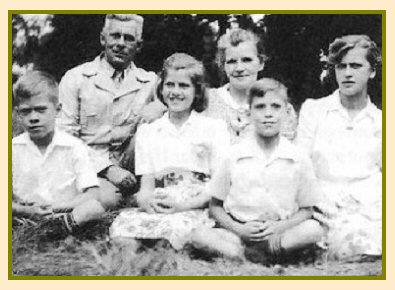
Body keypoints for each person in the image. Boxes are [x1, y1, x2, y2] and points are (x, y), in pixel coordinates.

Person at [193, 78, 325, 263]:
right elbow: (215, 206)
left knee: (313, 230)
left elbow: (307, 209)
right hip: (240, 231)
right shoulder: (234, 155)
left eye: (275, 107)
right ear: (249, 113)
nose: (268, 114)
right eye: (260, 107)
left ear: (287, 113)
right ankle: (245, 254)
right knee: (200, 235)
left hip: (280, 231)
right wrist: (239, 229)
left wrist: (281, 227)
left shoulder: (298, 157)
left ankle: (271, 250)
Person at [110, 53, 230, 250]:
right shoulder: (148, 132)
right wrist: (149, 203)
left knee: (180, 230)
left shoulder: (214, 128)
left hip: (197, 205)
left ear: (197, 91)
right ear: (161, 88)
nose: (175, 92)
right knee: (121, 233)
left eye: (184, 86)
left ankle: (183, 245)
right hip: (162, 204)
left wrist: (183, 206)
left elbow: (218, 186)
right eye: (170, 85)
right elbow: (146, 188)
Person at [58, 14, 166, 207]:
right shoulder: (76, 78)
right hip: (88, 164)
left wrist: (161, 106)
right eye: (115, 36)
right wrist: (107, 169)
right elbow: (65, 137)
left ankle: (136, 193)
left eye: (129, 38)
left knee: (153, 125)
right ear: (103, 39)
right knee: (107, 198)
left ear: (138, 46)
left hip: (133, 165)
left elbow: (180, 104)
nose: (120, 44)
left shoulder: (150, 82)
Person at [296, 35, 382, 260]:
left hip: (369, 210)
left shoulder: (382, 121)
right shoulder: (314, 110)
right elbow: (300, 165)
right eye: (341, 66)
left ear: (372, 71)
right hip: (320, 208)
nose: (347, 73)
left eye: (356, 65)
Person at [12, 71, 105, 238]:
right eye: (26, 111)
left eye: (41, 110)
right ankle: (41, 234)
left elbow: (93, 194)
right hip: (24, 215)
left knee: (93, 208)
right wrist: (26, 210)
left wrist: (56, 207)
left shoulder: (73, 146)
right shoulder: (12, 148)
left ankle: (55, 231)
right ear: (18, 113)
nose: (34, 118)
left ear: (58, 110)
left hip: (62, 213)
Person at [204, 28, 297, 144]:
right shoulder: (206, 103)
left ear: (261, 63)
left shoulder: (280, 107)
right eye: (232, 62)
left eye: (247, 60)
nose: (239, 68)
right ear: (223, 66)